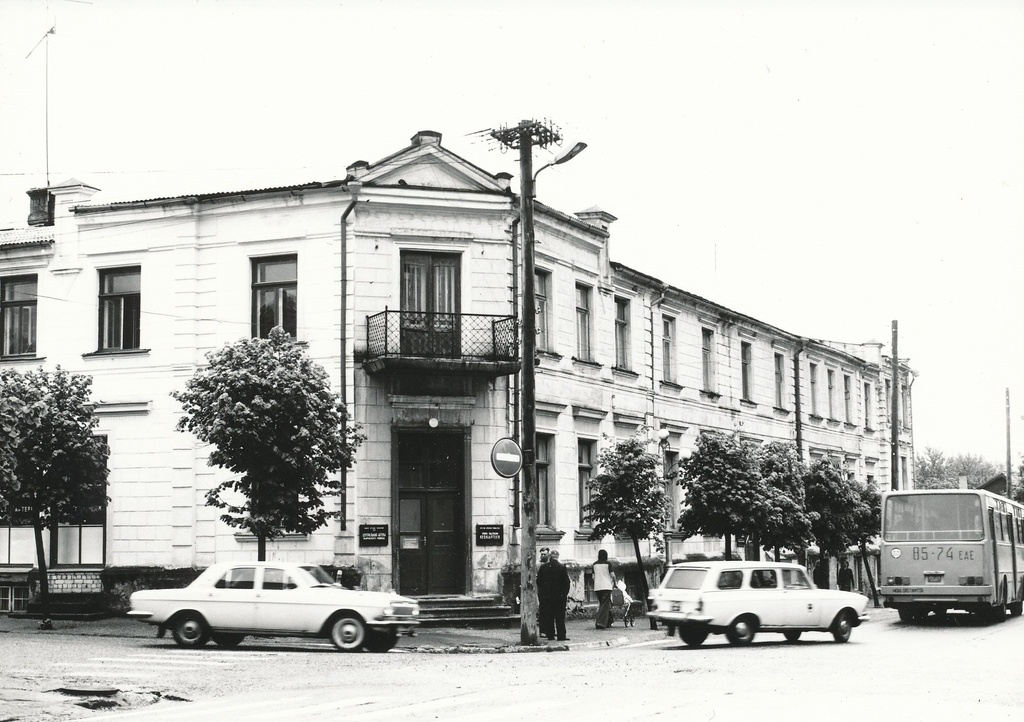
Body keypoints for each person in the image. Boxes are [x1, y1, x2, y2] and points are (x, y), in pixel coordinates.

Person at [536, 549, 571, 641]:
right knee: (560, 617)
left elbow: (538, 581)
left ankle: (550, 635)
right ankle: (561, 635)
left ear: (550, 556)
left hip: (547, 596)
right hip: (559, 597)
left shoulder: (543, 567)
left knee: (549, 616)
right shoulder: (562, 567)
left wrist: (544, 591)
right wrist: (564, 594)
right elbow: (566, 582)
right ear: (558, 557)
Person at [593, 549, 617, 629]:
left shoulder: (594, 564)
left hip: (597, 587)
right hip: (606, 586)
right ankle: (600, 623)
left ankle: (609, 621)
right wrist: (615, 583)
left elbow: (593, 577)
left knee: (603, 604)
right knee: (605, 605)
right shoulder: (608, 564)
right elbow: (613, 575)